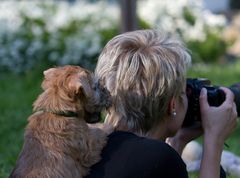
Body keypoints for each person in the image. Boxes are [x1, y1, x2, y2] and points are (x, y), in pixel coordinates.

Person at [85, 29, 238, 178]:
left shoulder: (88, 145)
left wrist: (178, 142)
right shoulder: (160, 158)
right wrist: (214, 138)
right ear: (172, 105)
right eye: (183, 92)